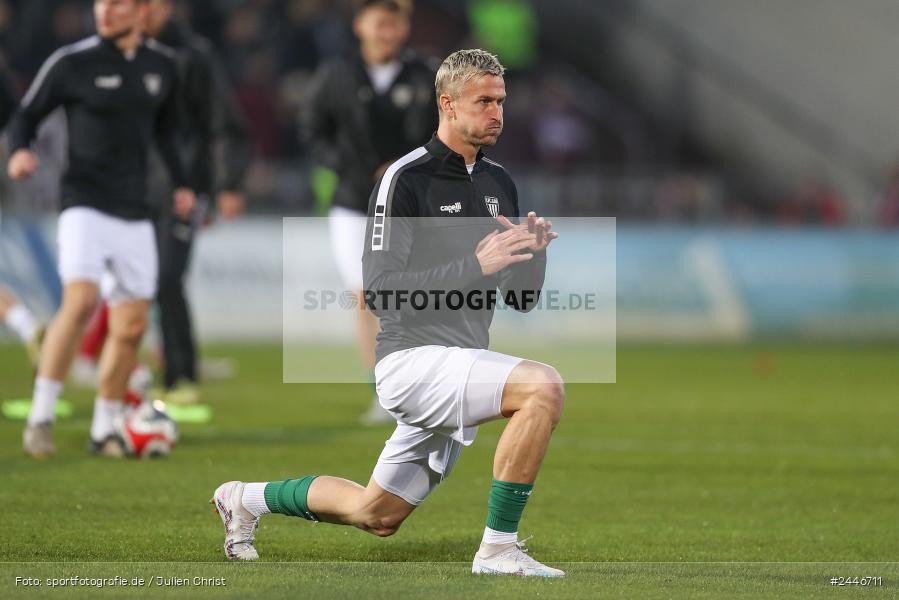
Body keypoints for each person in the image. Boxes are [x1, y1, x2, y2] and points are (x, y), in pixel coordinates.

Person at [212, 49, 566, 577]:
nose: (497, 113)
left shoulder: (499, 183)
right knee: (543, 387)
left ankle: (244, 498)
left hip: (460, 362)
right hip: (412, 361)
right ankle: (498, 549)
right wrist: (475, 263)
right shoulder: (405, 179)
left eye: (501, 102)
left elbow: (520, 299)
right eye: (484, 102)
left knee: (375, 514)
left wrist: (532, 257)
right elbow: (378, 290)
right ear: (446, 104)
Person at [6, 0, 194, 458]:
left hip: (137, 211)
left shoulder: (162, 67)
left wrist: (183, 183)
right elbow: (25, 115)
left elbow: (168, 133)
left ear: (143, 11)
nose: (106, 12)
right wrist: (19, 151)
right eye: (101, 4)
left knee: (130, 327)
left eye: (119, 4)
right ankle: (41, 418)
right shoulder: (72, 62)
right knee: (82, 300)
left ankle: (104, 428)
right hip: (84, 203)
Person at [71, 0, 252, 403]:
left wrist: (228, 184)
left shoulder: (194, 56)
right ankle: (116, 374)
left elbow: (223, 122)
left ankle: (180, 377)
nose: (143, 10)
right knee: (121, 282)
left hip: (180, 187)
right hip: (121, 188)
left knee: (168, 277)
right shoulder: (110, 53)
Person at [303, 0, 437, 424]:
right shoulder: (336, 74)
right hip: (352, 203)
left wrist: (405, 170)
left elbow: (446, 134)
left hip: (410, 205)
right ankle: (384, 391)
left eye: (395, 24)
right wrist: (353, 168)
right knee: (366, 296)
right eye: (381, 23)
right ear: (361, 25)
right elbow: (312, 129)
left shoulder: (425, 75)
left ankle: (419, 384)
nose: (388, 32)